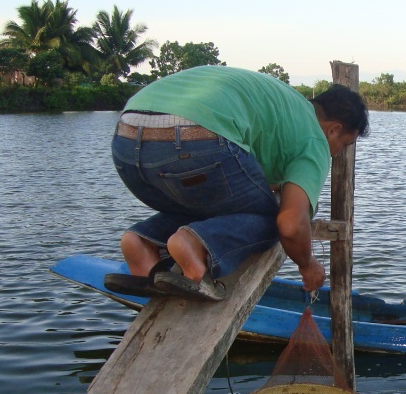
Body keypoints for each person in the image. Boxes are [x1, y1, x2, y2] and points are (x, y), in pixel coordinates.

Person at [104, 65, 369, 301]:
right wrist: (308, 264)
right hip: (193, 137)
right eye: (343, 145)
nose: (336, 153)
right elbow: (291, 225)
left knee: (213, 203)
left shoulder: (284, 104)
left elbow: (234, 181)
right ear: (334, 128)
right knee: (275, 214)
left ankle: (143, 244)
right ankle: (193, 247)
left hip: (126, 141)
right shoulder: (315, 138)